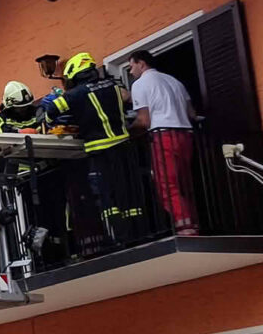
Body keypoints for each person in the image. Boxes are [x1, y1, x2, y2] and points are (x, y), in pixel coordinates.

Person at [39, 52, 143, 251]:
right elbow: (127, 98)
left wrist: (54, 123)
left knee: (107, 196)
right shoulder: (113, 85)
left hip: (99, 149)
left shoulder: (74, 94)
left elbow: (51, 111)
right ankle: (137, 233)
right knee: (128, 192)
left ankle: (117, 236)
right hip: (123, 145)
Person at [128, 49, 199, 235]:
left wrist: (127, 130)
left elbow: (144, 120)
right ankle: (192, 222)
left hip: (163, 136)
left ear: (141, 64)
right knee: (184, 183)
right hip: (185, 135)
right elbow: (192, 114)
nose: (130, 71)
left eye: (131, 66)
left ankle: (185, 225)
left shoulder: (140, 84)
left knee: (167, 184)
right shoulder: (174, 81)